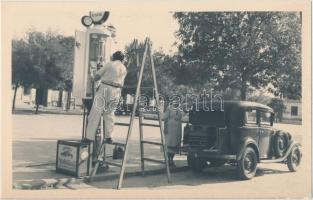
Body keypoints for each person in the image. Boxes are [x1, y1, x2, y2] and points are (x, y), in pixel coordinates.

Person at [85, 51, 127, 144]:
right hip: (117, 91)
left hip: (105, 88)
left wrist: (91, 76)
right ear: (122, 59)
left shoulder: (109, 64)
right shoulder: (124, 68)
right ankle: (109, 137)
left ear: (113, 57)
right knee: (109, 114)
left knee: (95, 113)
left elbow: (97, 77)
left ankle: (89, 137)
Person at [162, 100, 183, 167]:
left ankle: (171, 159)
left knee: (175, 144)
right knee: (169, 144)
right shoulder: (169, 108)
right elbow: (165, 118)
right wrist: (165, 128)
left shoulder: (180, 109)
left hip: (177, 129)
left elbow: (183, 116)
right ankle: (169, 160)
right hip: (170, 128)